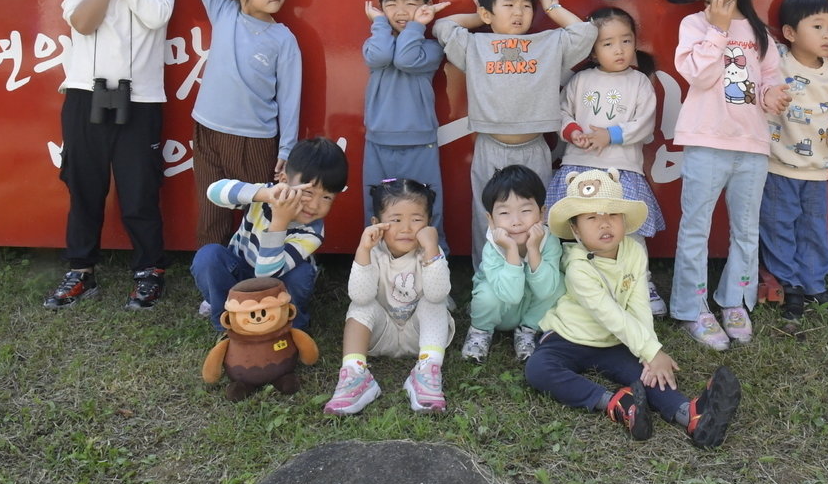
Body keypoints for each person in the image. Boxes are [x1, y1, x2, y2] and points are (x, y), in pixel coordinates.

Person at [524, 168, 742, 448]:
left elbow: (639, 307)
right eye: (592, 217)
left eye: (612, 215)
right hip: (569, 337)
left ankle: (690, 414)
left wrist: (650, 351)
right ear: (576, 230)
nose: (605, 224)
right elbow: (609, 314)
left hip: (615, 342)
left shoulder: (634, 252)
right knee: (538, 369)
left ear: (625, 221)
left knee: (649, 373)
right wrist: (649, 349)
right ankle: (617, 402)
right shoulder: (577, 266)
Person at [44, 0, 175, 311]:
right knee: (83, 187)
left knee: (140, 189)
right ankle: (81, 270)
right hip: (85, 96)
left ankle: (149, 270)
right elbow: (82, 23)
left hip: (141, 100)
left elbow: (155, 16)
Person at [670, 0, 789, 350]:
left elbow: (771, 80)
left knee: (745, 228)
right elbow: (699, 75)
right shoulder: (694, 24)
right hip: (706, 143)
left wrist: (775, 96)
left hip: (752, 146)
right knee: (696, 228)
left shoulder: (759, 34)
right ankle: (692, 307)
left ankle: (734, 300)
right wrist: (718, 29)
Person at [434, 0, 596, 266]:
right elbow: (443, 26)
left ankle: (538, 278)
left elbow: (585, 33)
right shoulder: (475, 46)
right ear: (488, 12)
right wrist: (478, 18)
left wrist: (551, 8)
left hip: (534, 148)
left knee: (537, 215)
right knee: (488, 216)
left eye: (525, 5)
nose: (519, 13)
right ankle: (487, 278)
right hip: (490, 148)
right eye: (508, 5)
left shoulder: (547, 42)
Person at [191, 0, 303, 264]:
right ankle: (213, 280)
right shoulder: (223, 11)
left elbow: (290, 101)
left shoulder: (283, 39)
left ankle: (255, 280)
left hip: (256, 142)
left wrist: (285, 151)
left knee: (257, 216)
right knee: (212, 210)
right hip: (207, 130)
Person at [544, 6, 668, 315]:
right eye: (608, 43)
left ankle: (641, 281)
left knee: (628, 231)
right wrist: (573, 133)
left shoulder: (639, 82)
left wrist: (609, 135)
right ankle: (576, 284)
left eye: (626, 41)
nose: (619, 49)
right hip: (579, 168)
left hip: (621, 170)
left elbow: (644, 123)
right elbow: (562, 112)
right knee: (577, 232)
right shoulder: (580, 81)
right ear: (594, 50)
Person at [761, 0, 828, 323]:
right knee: (779, 228)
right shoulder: (776, 61)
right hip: (777, 166)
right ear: (789, 33)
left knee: (814, 230)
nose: (827, 34)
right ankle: (790, 287)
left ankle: (816, 286)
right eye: (817, 26)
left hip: (818, 169)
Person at [324, 178, 455, 415]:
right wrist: (363, 250)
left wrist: (432, 250)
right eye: (395, 220)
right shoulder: (373, 252)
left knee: (433, 303)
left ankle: (426, 371)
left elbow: (438, 293)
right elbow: (360, 296)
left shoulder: (429, 253)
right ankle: (355, 374)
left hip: (420, 337)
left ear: (428, 223)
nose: (406, 228)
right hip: (380, 335)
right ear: (376, 223)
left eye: (416, 220)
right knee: (360, 307)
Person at [191, 137, 349, 331]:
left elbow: (266, 274)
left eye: (327, 197)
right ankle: (227, 321)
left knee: (301, 274)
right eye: (308, 192)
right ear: (283, 180)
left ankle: (290, 324)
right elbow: (213, 192)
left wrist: (279, 221)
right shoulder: (264, 195)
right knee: (209, 256)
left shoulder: (312, 231)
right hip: (239, 272)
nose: (315, 205)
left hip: (277, 284)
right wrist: (263, 194)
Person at [362, 0, 450, 247]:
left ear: (426, 6)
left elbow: (406, 59)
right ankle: (376, 263)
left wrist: (417, 26)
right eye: (391, 4)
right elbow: (384, 54)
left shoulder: (431, 48)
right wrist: (379, 25)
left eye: (411, 3)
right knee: (377, 206)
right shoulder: (376, 43)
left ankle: (434, 262)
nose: (400, 11)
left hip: (419, 142)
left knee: (427, 206)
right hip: (378, 141)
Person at [460, 165, 564, 363]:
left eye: (525, 210)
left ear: (542, 213)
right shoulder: (493, 247)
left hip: (531, 308)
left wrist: (533, 249)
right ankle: (480, 331)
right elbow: (510, 294)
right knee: (486, 296)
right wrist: (511, 251)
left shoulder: (548, 241)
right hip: (502, 309)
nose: (516, 221)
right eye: (505, 213)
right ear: (491, 220)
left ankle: (528, 330)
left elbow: (546, 291)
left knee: (559, 284)